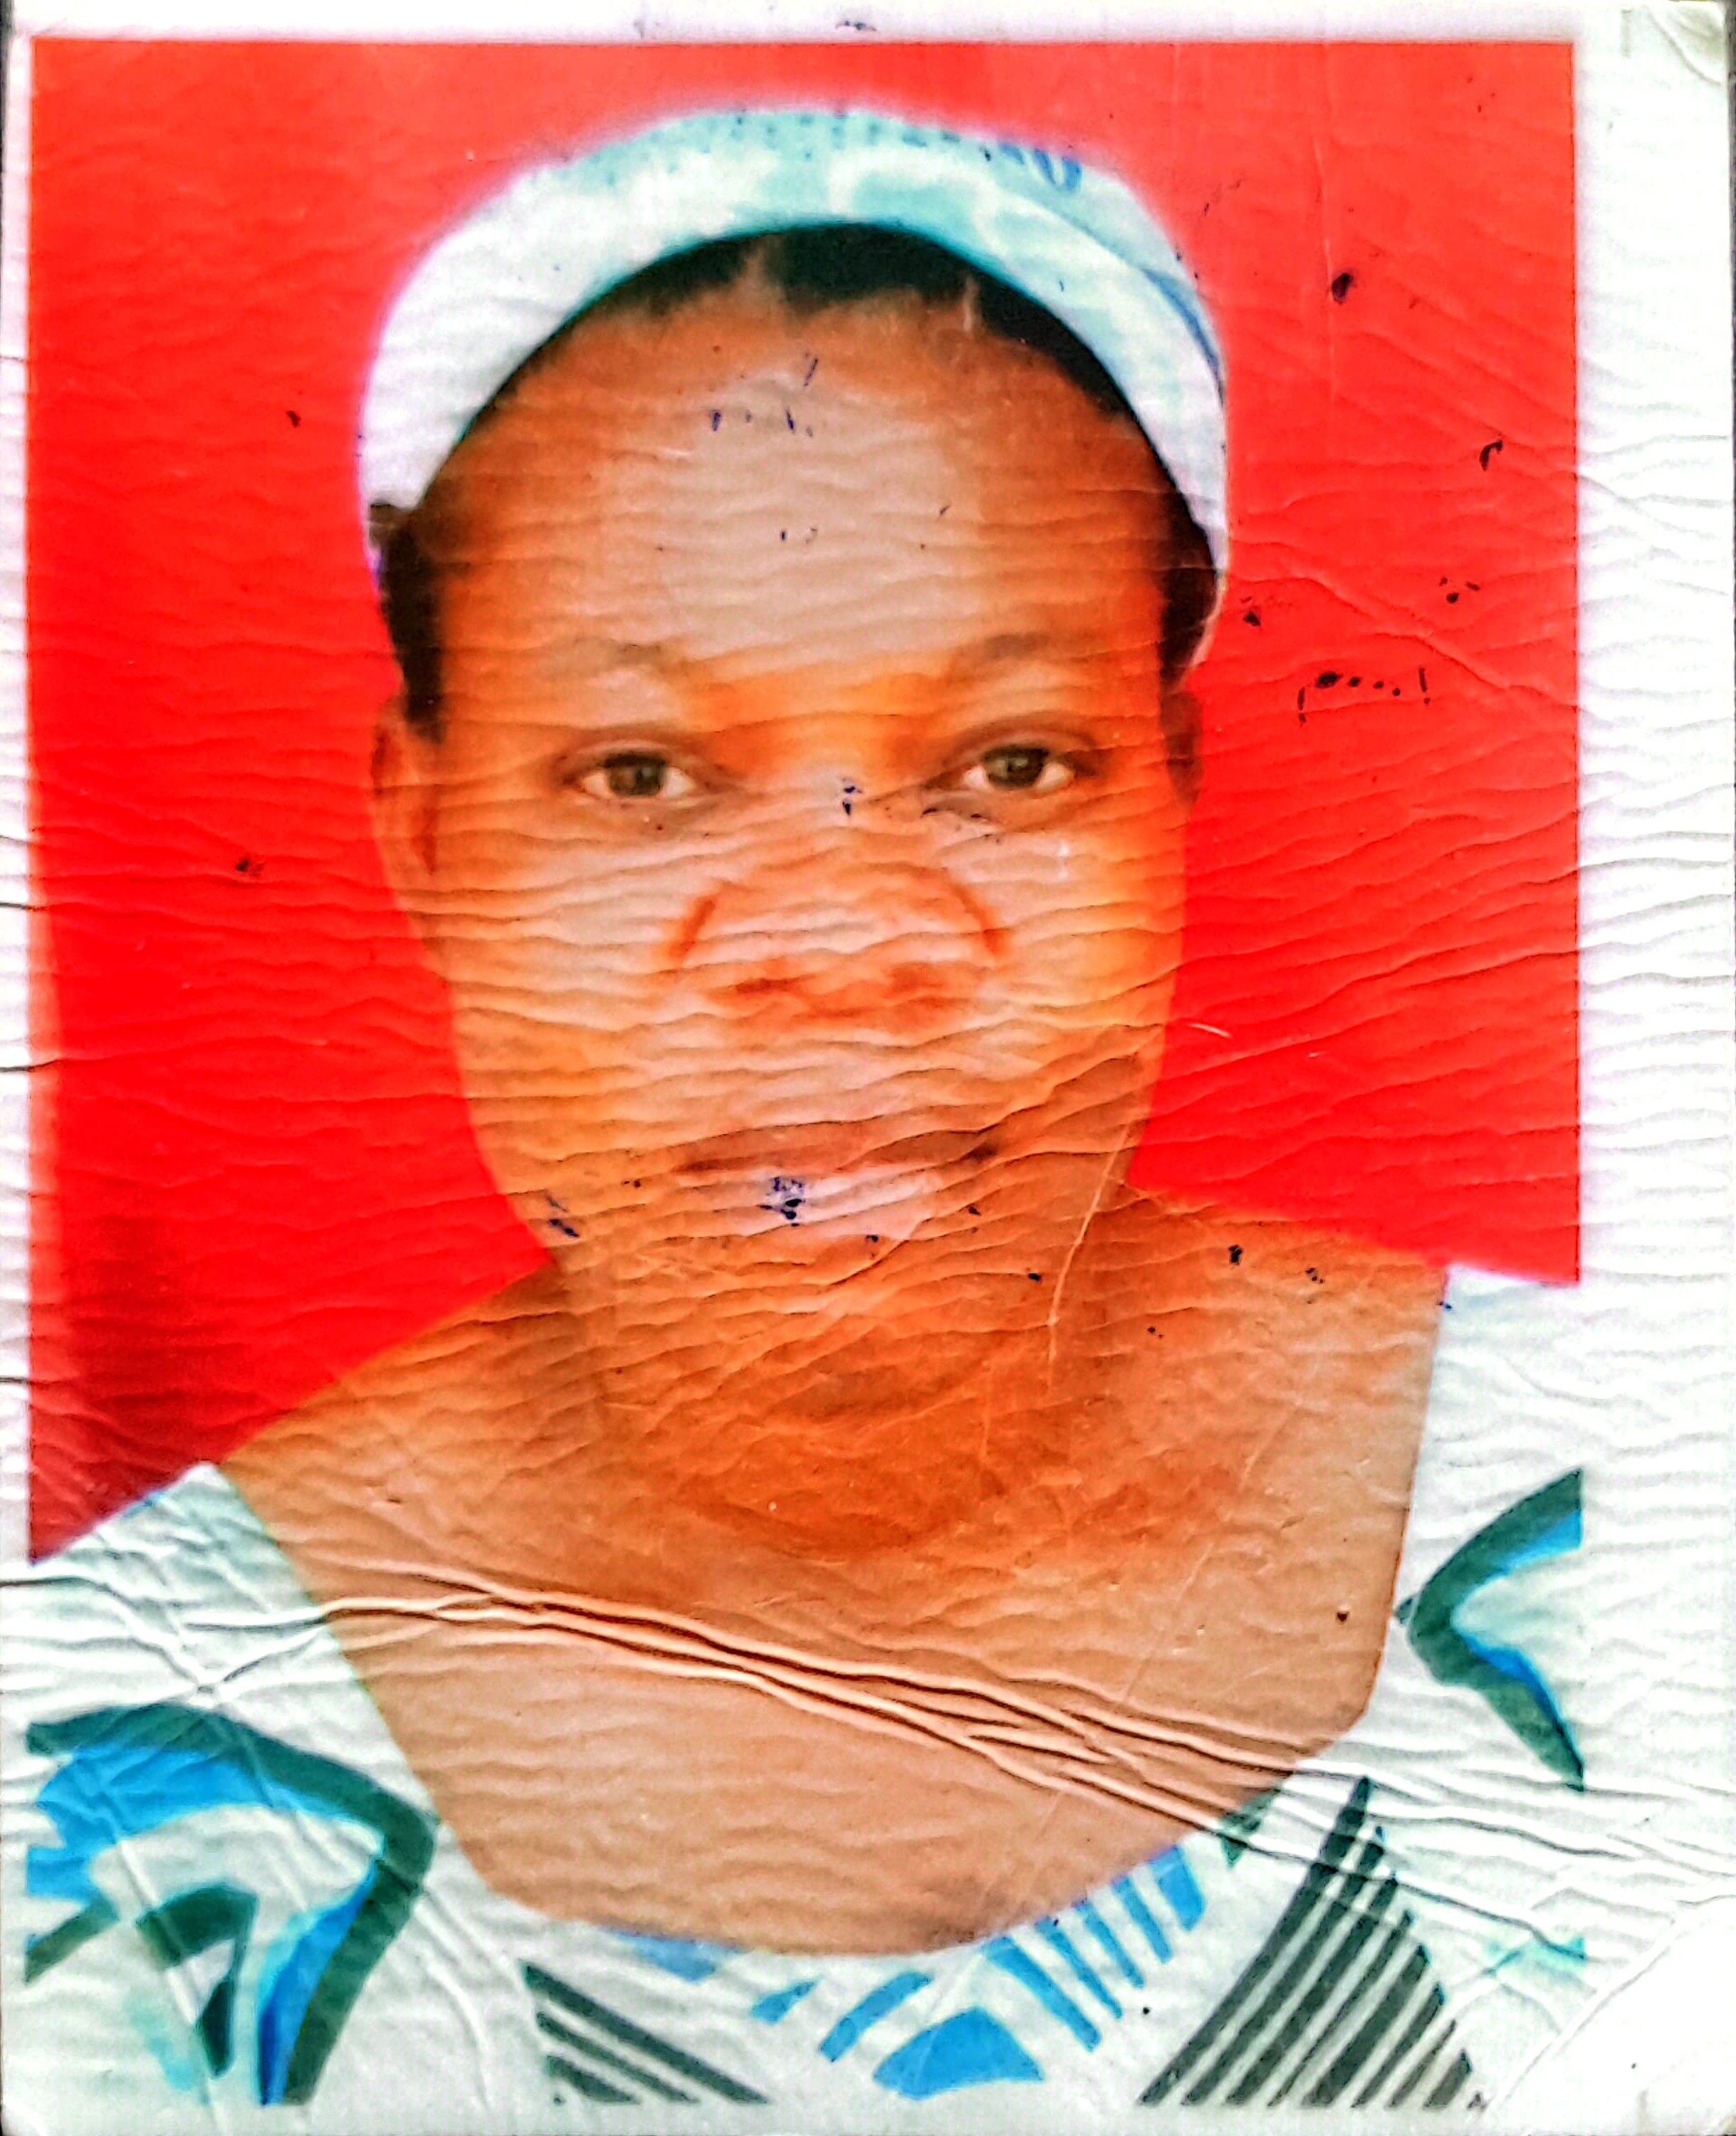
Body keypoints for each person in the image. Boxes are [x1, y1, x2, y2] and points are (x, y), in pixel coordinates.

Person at [11, 110, 1477, 2125]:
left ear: (1172, 785)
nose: (842, 941)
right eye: (641, 777)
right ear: (425, 838)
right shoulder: (112, 1716)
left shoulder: (1619, 1485)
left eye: (1015, 762)